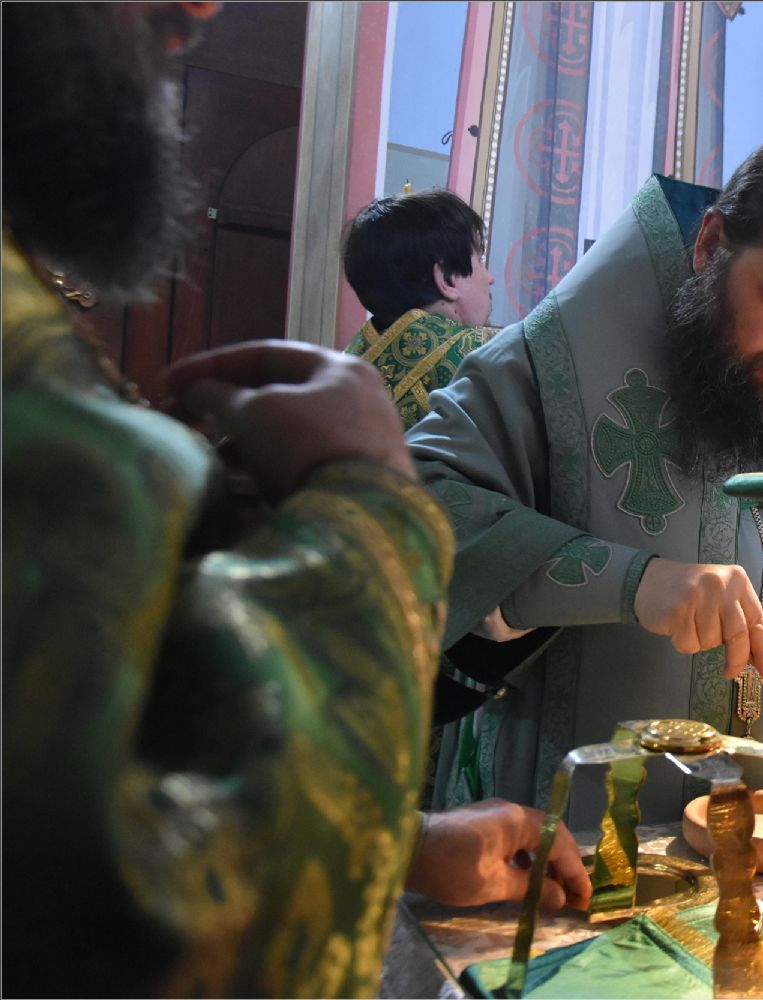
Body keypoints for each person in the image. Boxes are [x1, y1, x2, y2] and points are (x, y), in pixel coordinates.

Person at [1, 5, 587, 997]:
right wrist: (371, 509)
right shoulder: (484, 358)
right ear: (448, 273)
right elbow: (120, 914)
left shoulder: (350, 351)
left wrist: (399, 843)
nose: (203, 6)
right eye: (481, 262)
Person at [408, 135, 763, 822]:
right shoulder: (555, 364)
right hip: (575, 838)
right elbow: (410, 510)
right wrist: (634, 582)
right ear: (711, 245)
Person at [341, 189, 497, 430]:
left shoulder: (342, 373)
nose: (490, 278)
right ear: (447, 279)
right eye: (479, 260)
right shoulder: (485, 357)